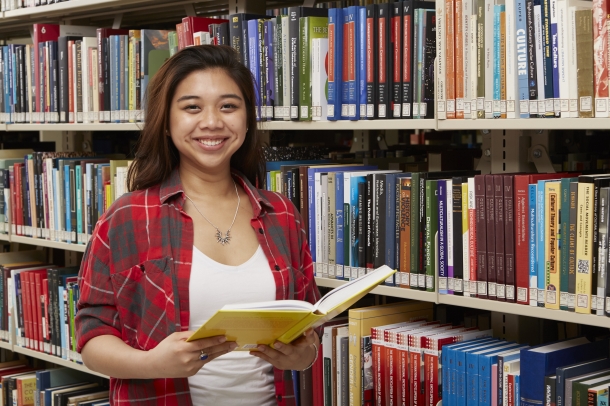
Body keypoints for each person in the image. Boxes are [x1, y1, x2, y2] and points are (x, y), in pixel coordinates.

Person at [75, 45, 321, 406]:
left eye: (228, 106)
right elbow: (92, 338)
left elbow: (308, 324)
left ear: (247, 118)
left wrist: (305, 356)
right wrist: (151, 363)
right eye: (192, 107)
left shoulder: (281, 213)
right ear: (167, 120)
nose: (212, 122)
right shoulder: (127, 216)